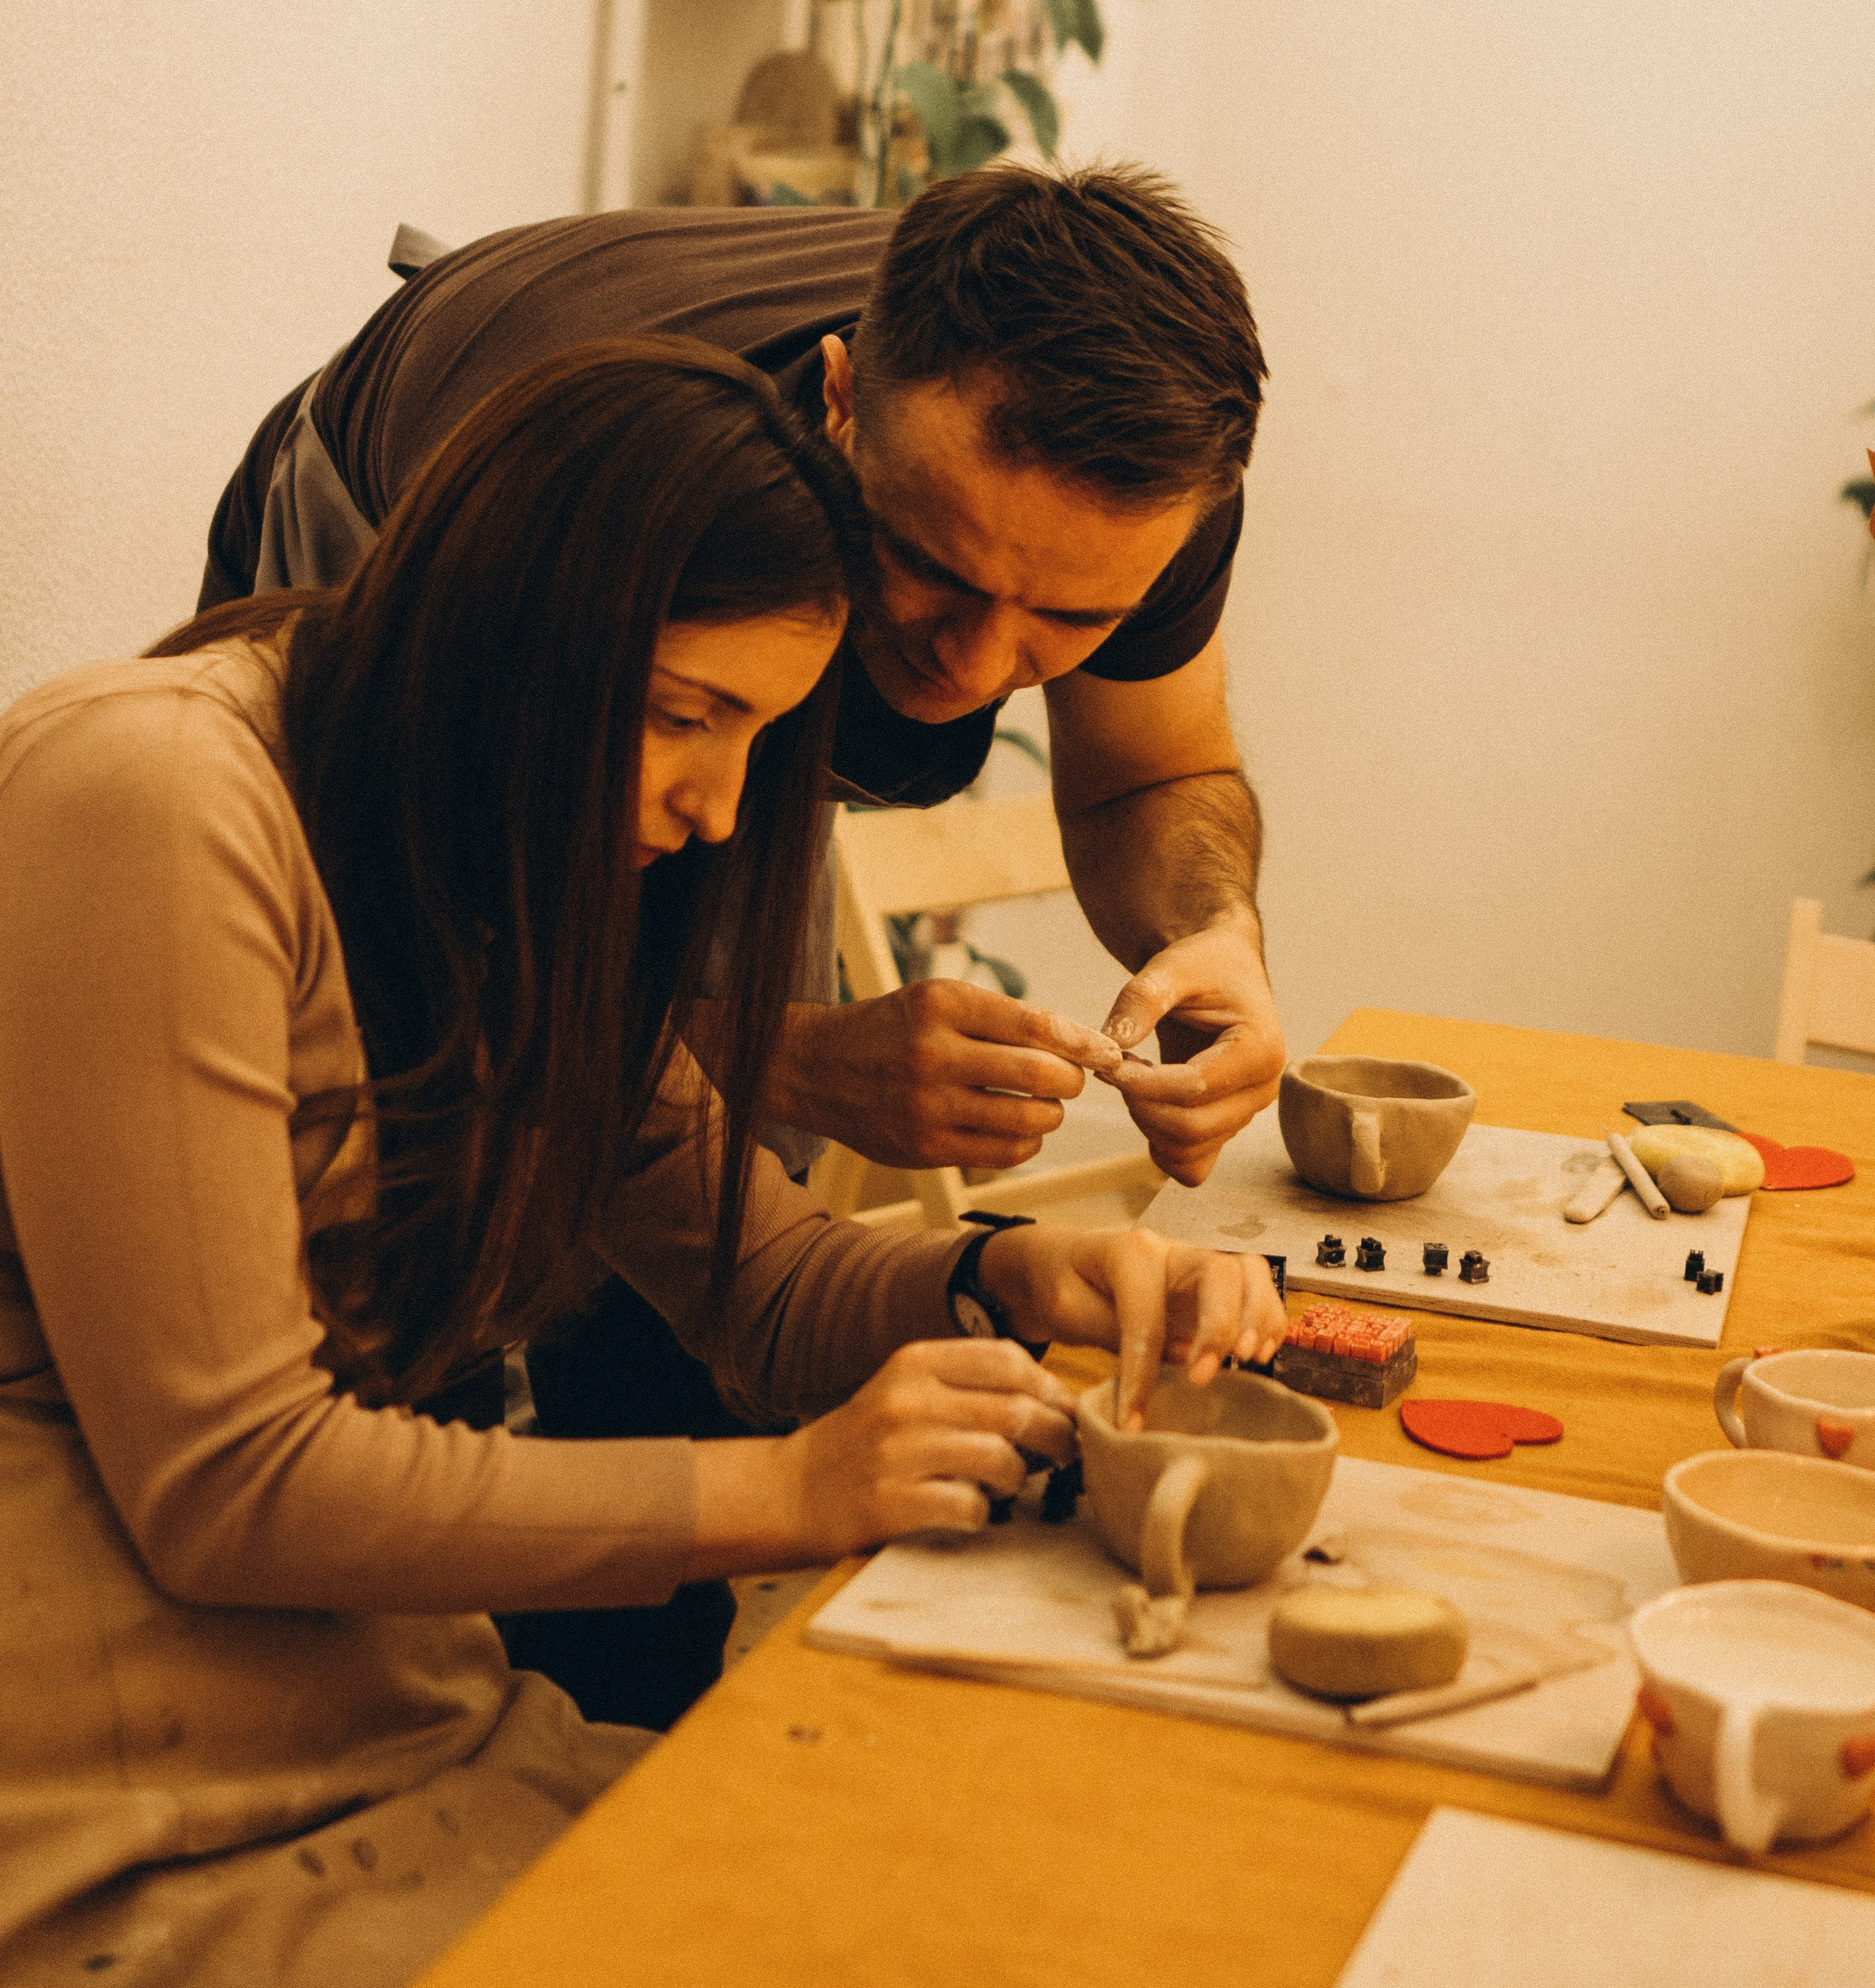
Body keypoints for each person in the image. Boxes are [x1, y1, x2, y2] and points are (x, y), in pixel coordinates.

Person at [0, 339, 1285, 1988]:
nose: (717, 808)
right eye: (690, 717)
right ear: (509, 638)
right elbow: (232, 1487)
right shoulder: (156, 794)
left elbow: (765, 1282)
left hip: (395, 1720)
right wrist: (789, 1492)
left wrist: (1015, 1277)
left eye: (760, 736)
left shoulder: (493, 850)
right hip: (110, 1805)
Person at [201, 160, 1282, 1723]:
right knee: (429, 1243)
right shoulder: (541, 500)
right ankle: (432, 1699)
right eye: (933, 569)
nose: (980, 668)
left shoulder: (1138, 477)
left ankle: (617, 1712)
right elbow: (413, 980)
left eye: (1065, 624)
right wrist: (780, 1053)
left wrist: (1212, 941)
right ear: (838, 402)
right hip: (403, 532)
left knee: (690, 1235)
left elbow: (1154, 777)